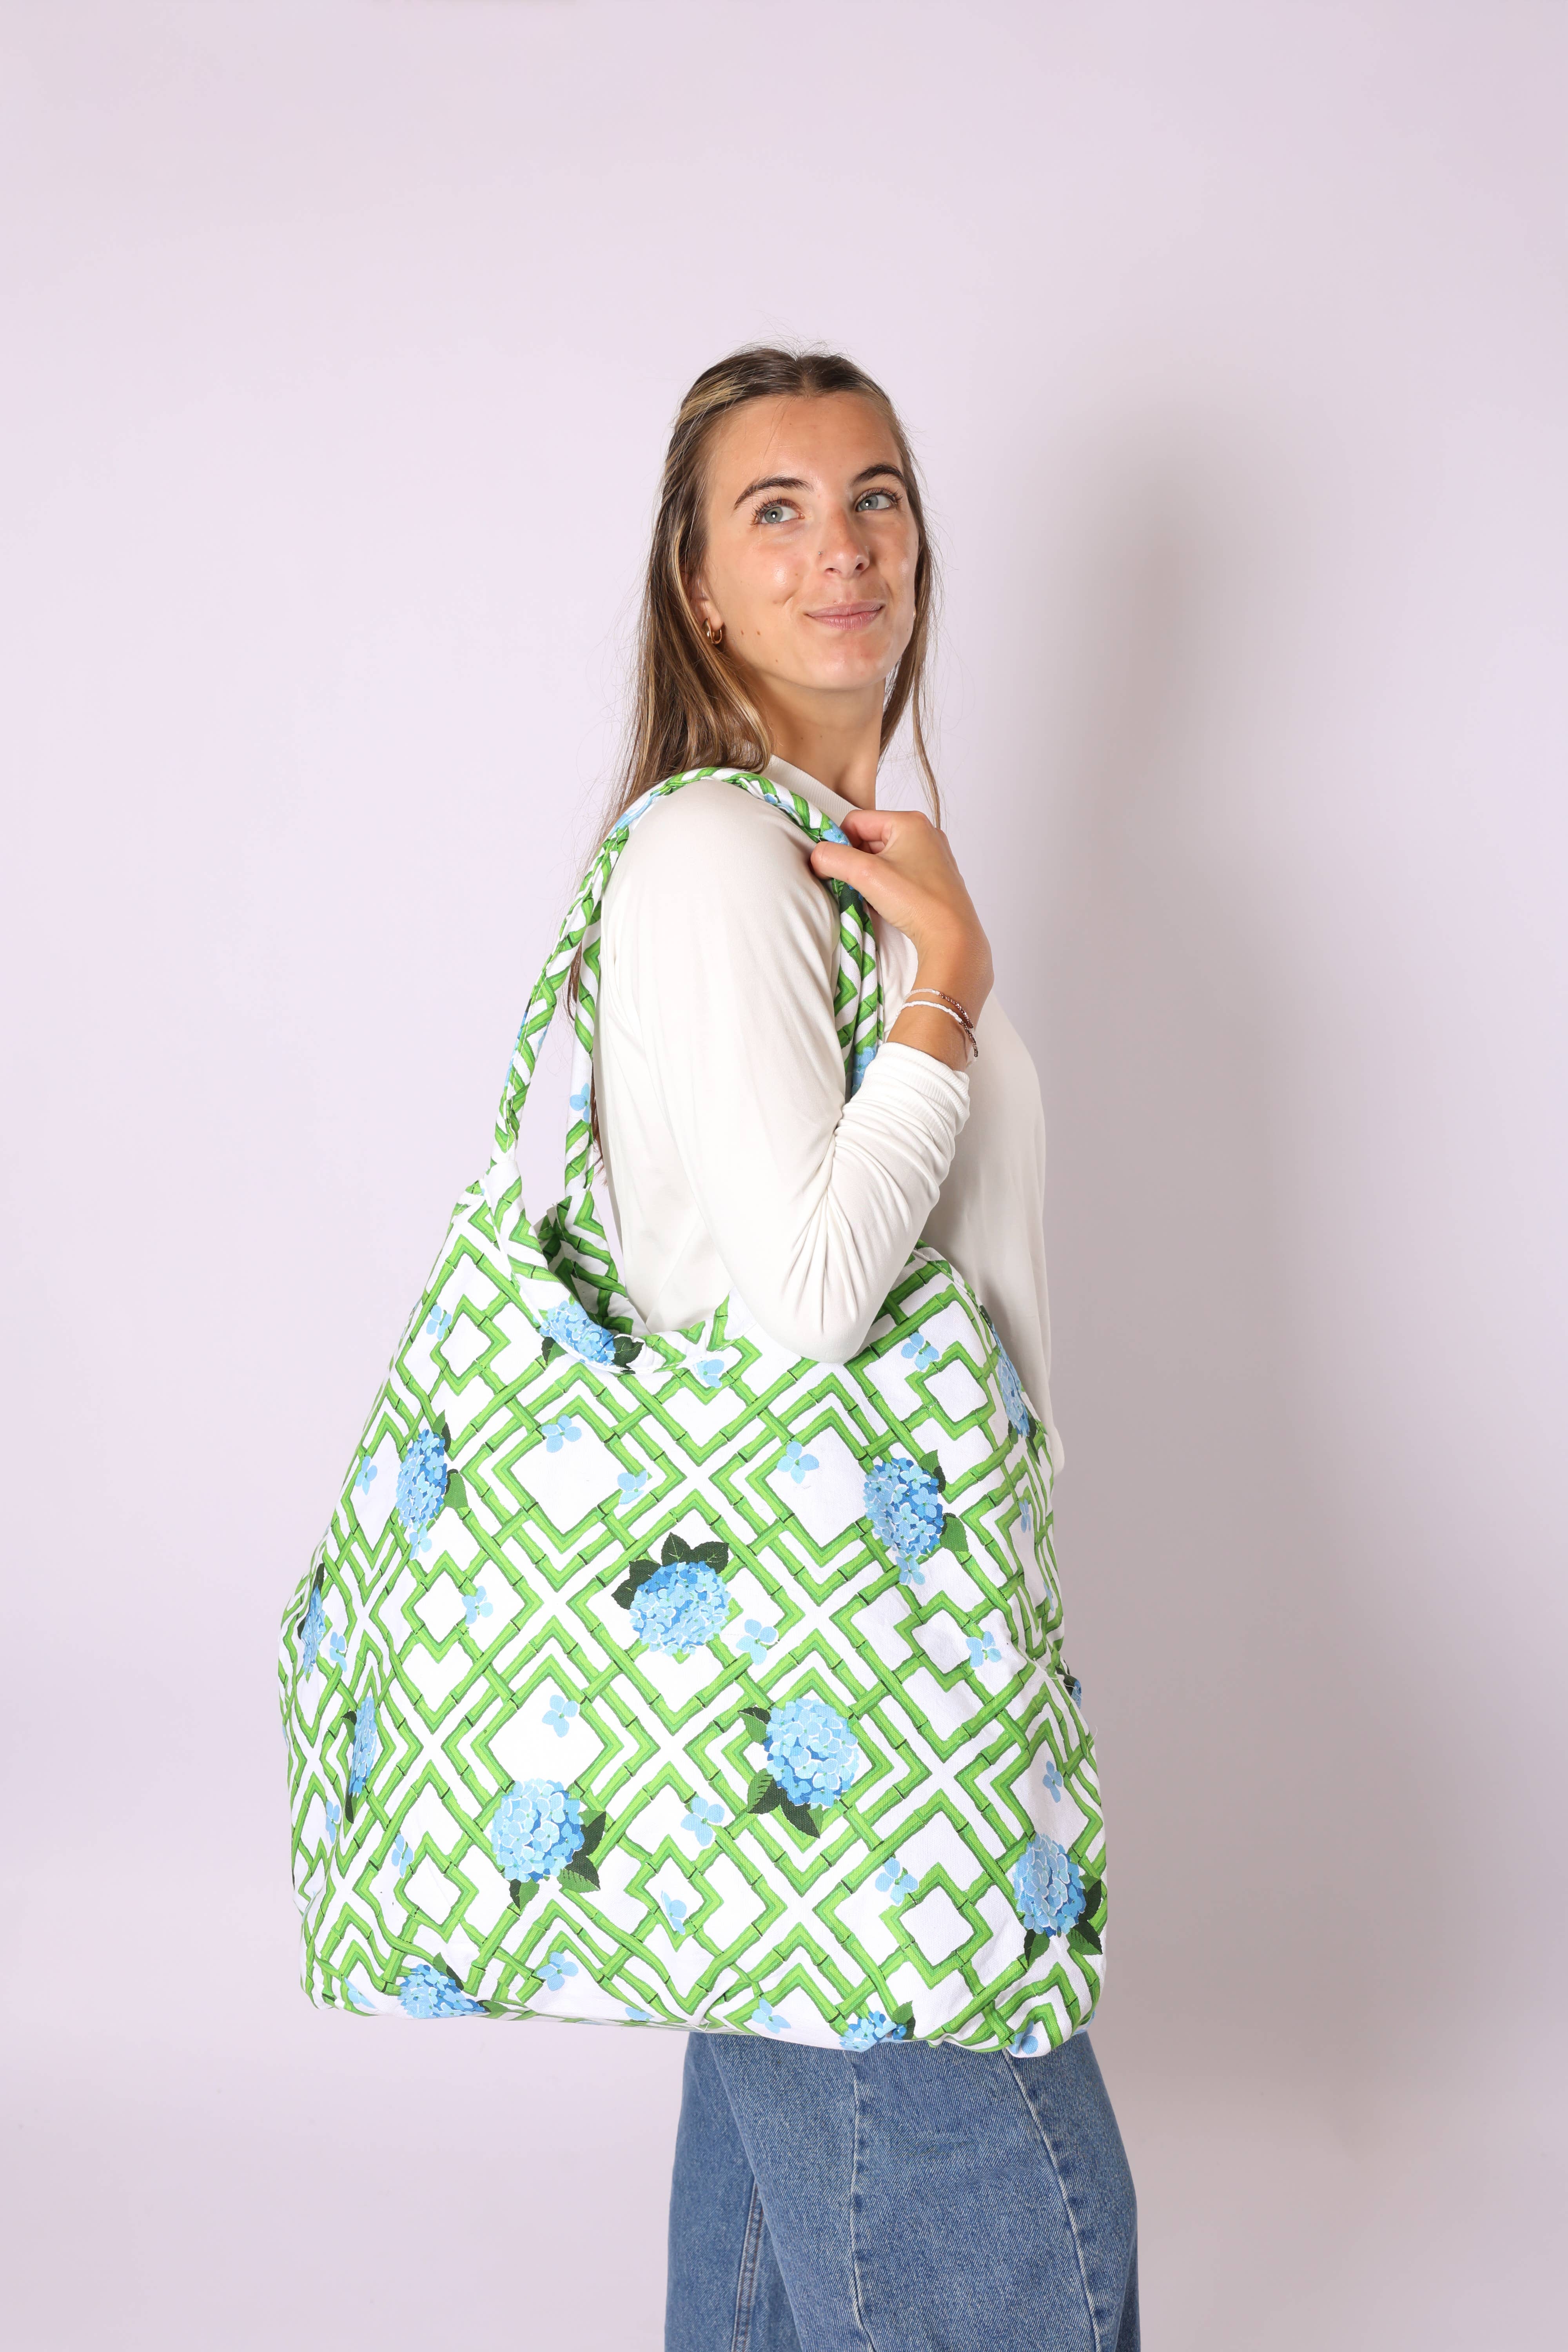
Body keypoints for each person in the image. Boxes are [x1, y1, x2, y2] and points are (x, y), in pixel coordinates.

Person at [587, 347, 1140, 2352]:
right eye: (778, 510)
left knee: (786, 2276)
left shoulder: (836, 863)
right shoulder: (718, 860)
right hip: (836, 1699)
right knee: (1022, 2266)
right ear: (699, 585)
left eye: (876, 497)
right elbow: (818, 1301)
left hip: (844, 1681)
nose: (844, 547)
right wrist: (948, 991)